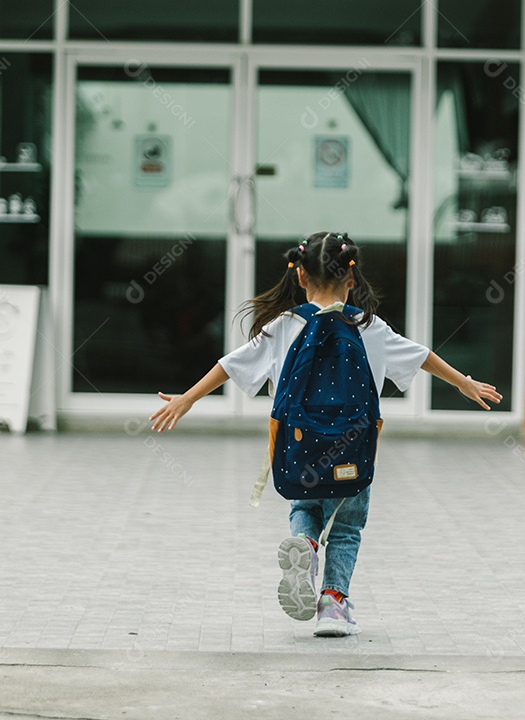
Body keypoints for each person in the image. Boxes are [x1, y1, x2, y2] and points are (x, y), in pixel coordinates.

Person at [149, 231, 501, 637]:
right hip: (352, 450)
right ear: (352, 278)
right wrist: (463, 383)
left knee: (304, 506)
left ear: (300, 276)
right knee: (347, 527)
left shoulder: (284, 326)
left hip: (298, 448)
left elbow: (230, 365)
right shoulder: (367, 326)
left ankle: (307, 546)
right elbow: (422, 356)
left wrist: (187, 399)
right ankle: (333, 604)